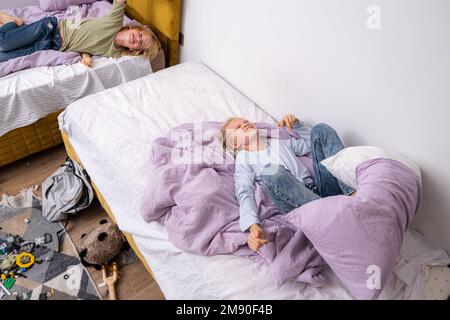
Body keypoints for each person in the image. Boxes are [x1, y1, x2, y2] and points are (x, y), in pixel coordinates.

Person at [221, 114, 355, 252]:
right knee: (270, 171)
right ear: (235, 144)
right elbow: (243, 191)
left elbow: (312, 144)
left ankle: (351, 193)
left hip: (317, 190)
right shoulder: (244, 159)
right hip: (298, 204)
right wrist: (253, 225)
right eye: (238, 127)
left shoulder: (278, 142)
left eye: (245, 121)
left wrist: (297, 125)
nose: (244, 124)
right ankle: (329, 216)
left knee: (321, 130)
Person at [0, 0, 161, 66]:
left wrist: (85, 56)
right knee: (3, 44)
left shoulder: (115, 53)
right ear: (133, 28)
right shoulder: (114, 22)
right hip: (50, 27)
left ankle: (16, 27)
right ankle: (15, 22)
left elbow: (90, 44)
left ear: (134, 50)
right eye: (140, 35)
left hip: (51, 44)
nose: (137, 39)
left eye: (140, 44)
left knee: (3, 57)